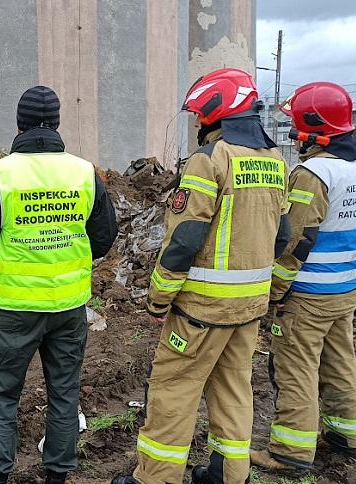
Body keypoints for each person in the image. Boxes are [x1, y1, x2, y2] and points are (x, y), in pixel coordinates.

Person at [113, 68, 290, 484]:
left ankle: (155, 478)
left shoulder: (210, 160)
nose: (196, 123)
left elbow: (183, 240)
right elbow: (282, 236)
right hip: (249, 307)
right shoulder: (276, 161)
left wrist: (159, 298)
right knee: (233, 391)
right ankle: (229, 475)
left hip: (201, 310)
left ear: (215, 112)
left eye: (198, 115)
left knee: (173, 392)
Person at [0, 85, 118, 484]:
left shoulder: (0, 174)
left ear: (19, 124)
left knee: (2, 395)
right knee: (64, 393)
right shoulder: (83, 173)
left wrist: (3, 260)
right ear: (58, 123)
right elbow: (104, 237)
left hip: (15, 308)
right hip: (68, 307)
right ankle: (57, 476)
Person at [250, 82, 356, 471]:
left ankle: (289, 452)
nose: (293, 133)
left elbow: (296, 238)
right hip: (345, 288)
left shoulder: (313, 173)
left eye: (296, 125)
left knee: (296, 366)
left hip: (308, 293)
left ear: (313, 126)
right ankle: (345, 434)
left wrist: (274, 290)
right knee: (340, 360)